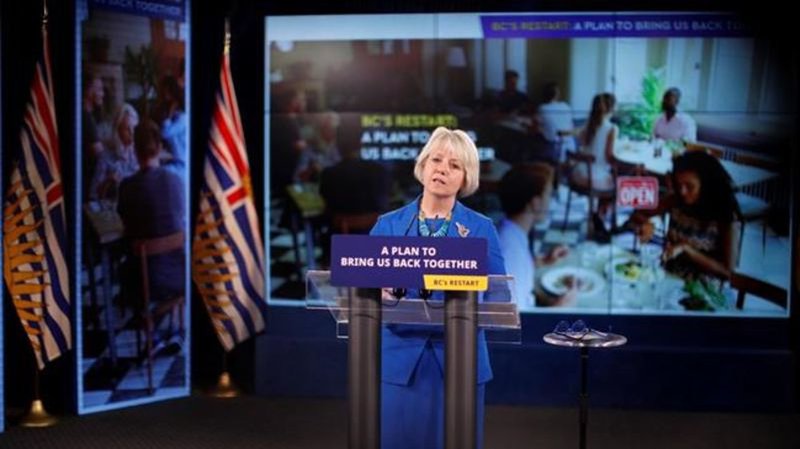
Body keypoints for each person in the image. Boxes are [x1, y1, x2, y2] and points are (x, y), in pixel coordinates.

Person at [369, 127, 506, 449]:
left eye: (454, 165)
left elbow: (500, 297)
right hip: (399, 359)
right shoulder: (388, 225)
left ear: (466, 178)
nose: (442, 169)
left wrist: (466, 310)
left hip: (460, 358)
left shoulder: (481, 229)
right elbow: (361, 289)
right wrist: (378, 292)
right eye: (436, 160)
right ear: (423, 165)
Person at [629, 150, 740, 280]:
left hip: (701, 285)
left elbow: (727, 272)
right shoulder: (676, 200)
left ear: (706, 185)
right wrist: (646, 223)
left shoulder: (726, 214)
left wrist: (686, 249)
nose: (682, 191)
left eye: (689, 186)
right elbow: (636, 214)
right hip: (668, 275)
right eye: (679, 185)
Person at [118, 119, 185, 305]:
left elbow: (125, 226)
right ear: (160, 148)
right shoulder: (177, 181)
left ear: (135, 150)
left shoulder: (127, 186)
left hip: (144, 281)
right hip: (181, 275)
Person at [497, 163, 572, 307]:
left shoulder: (510, 232)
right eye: (549, 195)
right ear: (535, 203)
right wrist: (561, 307)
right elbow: (513, 319)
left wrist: (543, 261)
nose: (551, 202)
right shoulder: (511, 252)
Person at [572, 93, 618, 235]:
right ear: (611, 108)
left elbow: (583, 146)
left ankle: (597, 214)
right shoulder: (612, 128)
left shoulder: (588, 125)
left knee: (610, 177)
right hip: (593, 178)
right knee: (619, 186)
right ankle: (600, 216)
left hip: (578, 173)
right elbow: (609, 156)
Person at [90, 103, 140, 201]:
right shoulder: (106, 156)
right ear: (118, 130)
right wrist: (107, 181)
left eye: (134, 128)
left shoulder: (140, 152)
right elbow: (93, 194)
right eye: (127, 129)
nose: (132, 133)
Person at [157, 75, 188, 185]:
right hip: (174, 161)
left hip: (182, 166)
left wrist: (169, 113)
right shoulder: (172, 118)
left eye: (168, 94)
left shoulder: (183, 118)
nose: (166, 98)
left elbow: (165, 133)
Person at [536, 81, 577, 156]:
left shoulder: (542, 108)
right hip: (571, 145)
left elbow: (536, 127)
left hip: (553, 148)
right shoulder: (565, 105)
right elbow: (571, 125)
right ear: (557, 94)